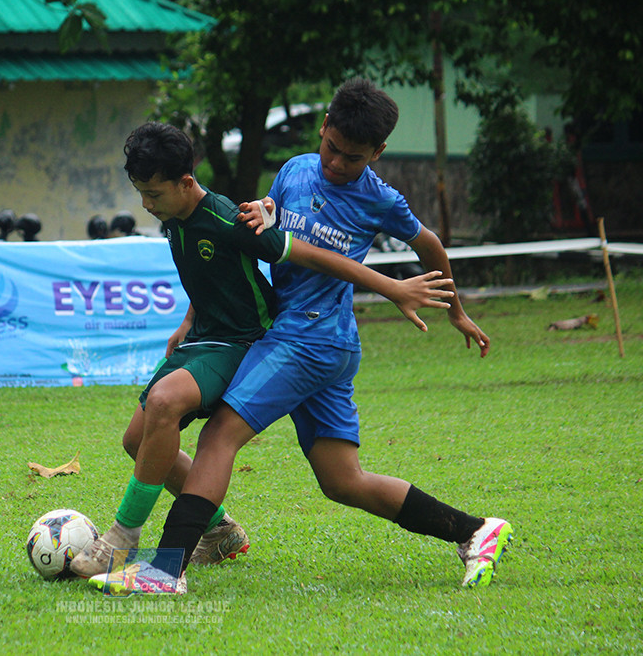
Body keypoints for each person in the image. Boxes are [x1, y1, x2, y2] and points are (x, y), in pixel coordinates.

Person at [110, 80, 511, 595]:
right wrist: (195, 314)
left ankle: (166, 570)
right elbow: (250, 246)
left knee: (218, 436)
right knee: (343, 480)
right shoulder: (295, 169)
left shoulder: (381, 199)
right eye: (332, 148)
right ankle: (475, 530)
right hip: (307, 339)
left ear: (378, 152)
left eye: (354, 157)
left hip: (312, 339)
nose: (337, 163)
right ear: (323, 128)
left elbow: (429, 244)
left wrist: (455, 309)